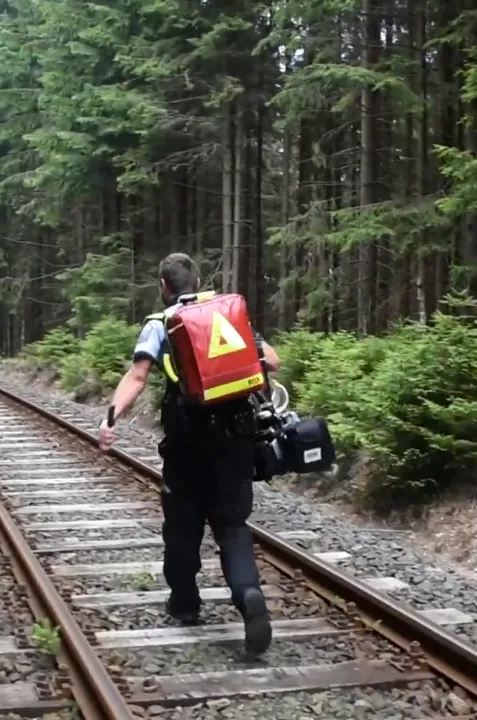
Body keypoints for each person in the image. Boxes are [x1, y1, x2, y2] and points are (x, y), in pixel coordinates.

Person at [97, 252, 281, 656]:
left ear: (163, 286)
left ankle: (185, 603)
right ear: (197, 280)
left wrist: (111, 418)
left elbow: (139, 375)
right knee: (232, 525)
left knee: (182, 526)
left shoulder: (160, 324)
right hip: (235, 438)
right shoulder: (227, 314)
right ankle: (249, 595)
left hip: (186, 443)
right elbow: (272, 360)